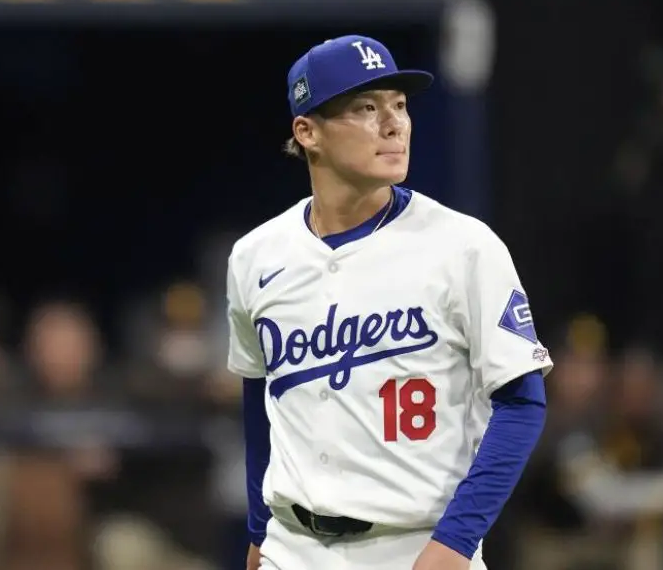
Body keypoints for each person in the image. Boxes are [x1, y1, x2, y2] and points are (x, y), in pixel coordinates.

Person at [226, 35, 552, 570]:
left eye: (399, 105)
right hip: (293, 548)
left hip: (417, 544)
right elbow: (259, 398)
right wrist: (261, 532)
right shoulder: (255, 257)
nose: (394, 124)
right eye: (366, 108)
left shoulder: (464, 246)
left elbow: (522, 403)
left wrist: (456, 541)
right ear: (307, 132)